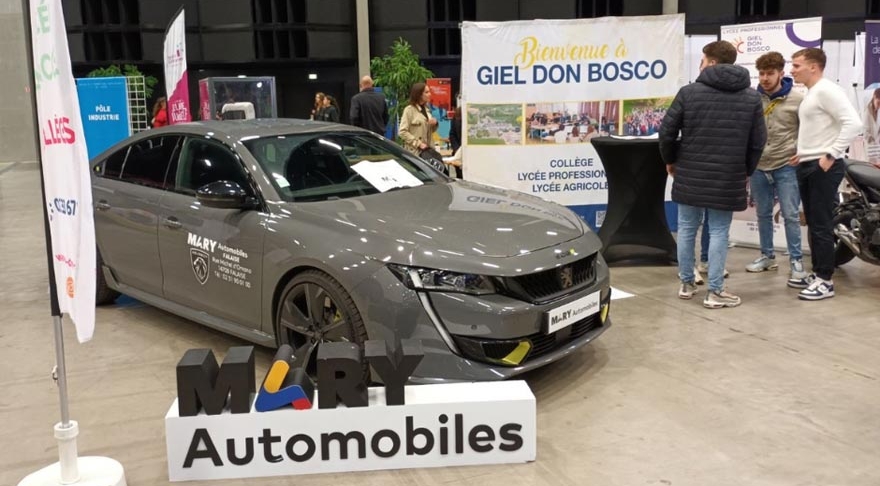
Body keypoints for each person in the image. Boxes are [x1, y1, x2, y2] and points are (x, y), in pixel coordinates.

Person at [659, 40, 766, 309]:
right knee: (719, 231)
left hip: (689, 172)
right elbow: (758, 141)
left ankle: (686, 283)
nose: (700, 64)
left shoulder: (689, 92)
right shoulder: (751, 97)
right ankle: (715, 291)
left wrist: (670, 160)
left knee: (686, 228)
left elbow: (667, 133)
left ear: (713, 62)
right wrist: (745, 170)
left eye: (703, 60)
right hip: (729, 174)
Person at [788, 47, 862, 300]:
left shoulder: (828, 90)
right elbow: (820, 129)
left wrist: (832, 154)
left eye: (796, 65)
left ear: (813, 66)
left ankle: (825, 281)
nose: (792, 70)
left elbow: (854, 123)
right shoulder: (813, 93)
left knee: (820, 223)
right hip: (809, 163)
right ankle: (819, 273)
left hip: (824, 167)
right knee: (814, 222)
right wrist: (804, 152)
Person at [744, 51, 808, 286]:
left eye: (770, 73)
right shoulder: (751, 99)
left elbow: (808, 130)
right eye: (761, 73)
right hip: (760, 165)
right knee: (762, 214)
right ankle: (767, 256)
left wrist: (801, 151)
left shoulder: (798, 99)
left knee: (791, 215)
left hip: (786, 165)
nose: (764, 78)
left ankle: (796, 261)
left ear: (781, 73)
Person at [398, 82, 437, 156]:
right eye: (426, 92)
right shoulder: (409, 110)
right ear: (419, 95)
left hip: (428, 151)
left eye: (429, 92)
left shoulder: (427, 109)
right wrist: (418, 143)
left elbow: (430, 131)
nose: (430, 94)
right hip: (415, 153)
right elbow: (402, 132)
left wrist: (435, 123)